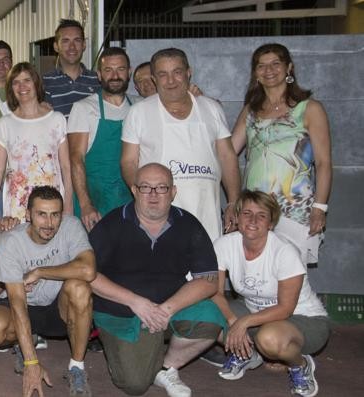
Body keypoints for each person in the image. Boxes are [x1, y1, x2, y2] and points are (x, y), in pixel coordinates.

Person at [88, 163, 226, 397]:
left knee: (212, 318)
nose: (153, 195)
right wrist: (135, 302)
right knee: (134, 384)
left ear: (173, 192)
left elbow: (208, 280)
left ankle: (166, 368)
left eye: (161, 188)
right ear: (133, 190)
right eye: (145, 187)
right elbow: (87, 276)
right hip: (120, 312)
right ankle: (130, 351)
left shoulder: (188, 224)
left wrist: (165, 309)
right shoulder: (111, 223)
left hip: (169, 307)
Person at [210, 190, 328, 397]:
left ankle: (300, 365)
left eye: (261, 215)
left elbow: (285, 308)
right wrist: (231, 320)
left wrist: (243, 323)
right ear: (237, 217)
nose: (253, 220)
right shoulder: (224, 245)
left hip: (302, 319)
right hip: (256, 313)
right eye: (247, 213)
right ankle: (248, 353)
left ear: (271, 223)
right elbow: (214, 292)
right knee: (207, 314)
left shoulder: (284, 251)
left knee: (270, 338)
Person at [0, 185, 96, 396]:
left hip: (56, 306)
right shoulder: (10, 241)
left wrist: (40, 271)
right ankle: (25, 343)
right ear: (28, 215)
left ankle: (77, 367)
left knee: (80, 288)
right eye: (41, 215)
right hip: (23, 304)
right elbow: (17, 304)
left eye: (55, 215)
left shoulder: (71, 226)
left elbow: (88, 269)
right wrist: (31, 362)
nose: (49, 223)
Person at [121, 48, 241, 242]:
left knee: (208, 268)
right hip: (159, 216)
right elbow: (128, 161)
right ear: (154, 78)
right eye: (163, 74)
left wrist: (234, 202)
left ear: (188, 72)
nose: (171, 81)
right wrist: (143, 198)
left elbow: (228, 157)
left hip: (207, 211)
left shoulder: (211, 108)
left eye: (177, 72)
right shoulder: (139, 112)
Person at [230, 43, 332, 265]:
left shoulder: (310, 108)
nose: (269, 70)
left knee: (293, 273)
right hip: (256, 206)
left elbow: (323, 163)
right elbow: (228, 152)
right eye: (261, 66)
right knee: (257, 269)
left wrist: (320, 207)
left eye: (276, 63)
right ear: (255, 73)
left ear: (289, 68)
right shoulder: (250, 111)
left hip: (295, 206)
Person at [0, 62, 73, 231]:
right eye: (16, 82)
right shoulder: (5, 124)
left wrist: (69, 202)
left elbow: (65, 165)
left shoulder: (57, 119)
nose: (22, 86)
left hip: (52, 203)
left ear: (36, 83)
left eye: (27, 80)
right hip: (18, 204)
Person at [68, 47, 139, 230]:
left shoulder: (139, 108)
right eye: (108, 70)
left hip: (131, 201)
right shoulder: (83, 108)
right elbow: (76, 159)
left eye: (121, 69)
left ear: (129, 72)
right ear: (99, 74)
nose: (115, 76)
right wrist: (85, 204)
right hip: (94, 203)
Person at [43, 19, 100, 117]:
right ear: (56, 46)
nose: (72, 47)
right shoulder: (44, 83)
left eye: (77, 40)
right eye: (66, 41)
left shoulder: (98, 81)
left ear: (84, 45)